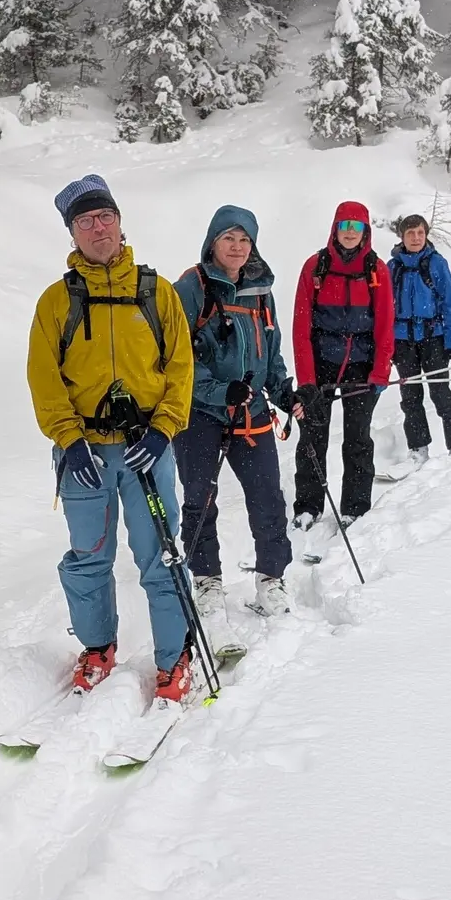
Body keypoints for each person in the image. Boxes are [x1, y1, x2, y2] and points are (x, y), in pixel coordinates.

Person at [25, 175, 197, 703]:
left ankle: (174, 658)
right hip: (85, 456)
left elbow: (180, 366)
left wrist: (165, 426)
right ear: (72, 234)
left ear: (120, 223)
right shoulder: (57, 301)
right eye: (85, 221)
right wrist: (69, 439)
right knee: (88, 555)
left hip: (148, 448)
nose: (97, 227)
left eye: (105, 217)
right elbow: (44, 376)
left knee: (161, 554)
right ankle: (97, 648)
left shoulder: (156, 291)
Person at [173, 205, 299, 620]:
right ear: (213, 241)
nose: (238, 246)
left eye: (245, 239)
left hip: (251, 410)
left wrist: (284, 392)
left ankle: (271, 579)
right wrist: (220, 390)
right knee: (199, 499)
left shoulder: (261, 289)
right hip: (199, 414)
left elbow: (271, 348)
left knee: (267, 498)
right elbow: (178, 359)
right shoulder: (190, 288)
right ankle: (207, 581)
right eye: (229, 238)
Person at [290, 200, 393, 526]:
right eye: (345, 226)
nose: (350, 233)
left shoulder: (376, 270)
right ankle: (308, 506)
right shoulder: (315, 267)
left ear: (365, 231)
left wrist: (380, 371)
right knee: (312, 437)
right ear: (335, 228)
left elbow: (385, 324)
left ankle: (356, 506)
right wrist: (306, 380)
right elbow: (300, 327)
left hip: (361, 366)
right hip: (322, 365)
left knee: (358, 438)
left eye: (357, 226)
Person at [387, 213, 451, 462]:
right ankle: (418, 448)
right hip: (402, 340)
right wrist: (387, 344)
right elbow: (383, 309)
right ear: (402, 237)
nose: (416, 238)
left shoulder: (436, 263)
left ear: (426, 235)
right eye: (410, 233)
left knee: (440, 392)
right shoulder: (392, 267)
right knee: (410, 397)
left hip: (433, 337)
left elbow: (450, 303)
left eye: (420, 233)